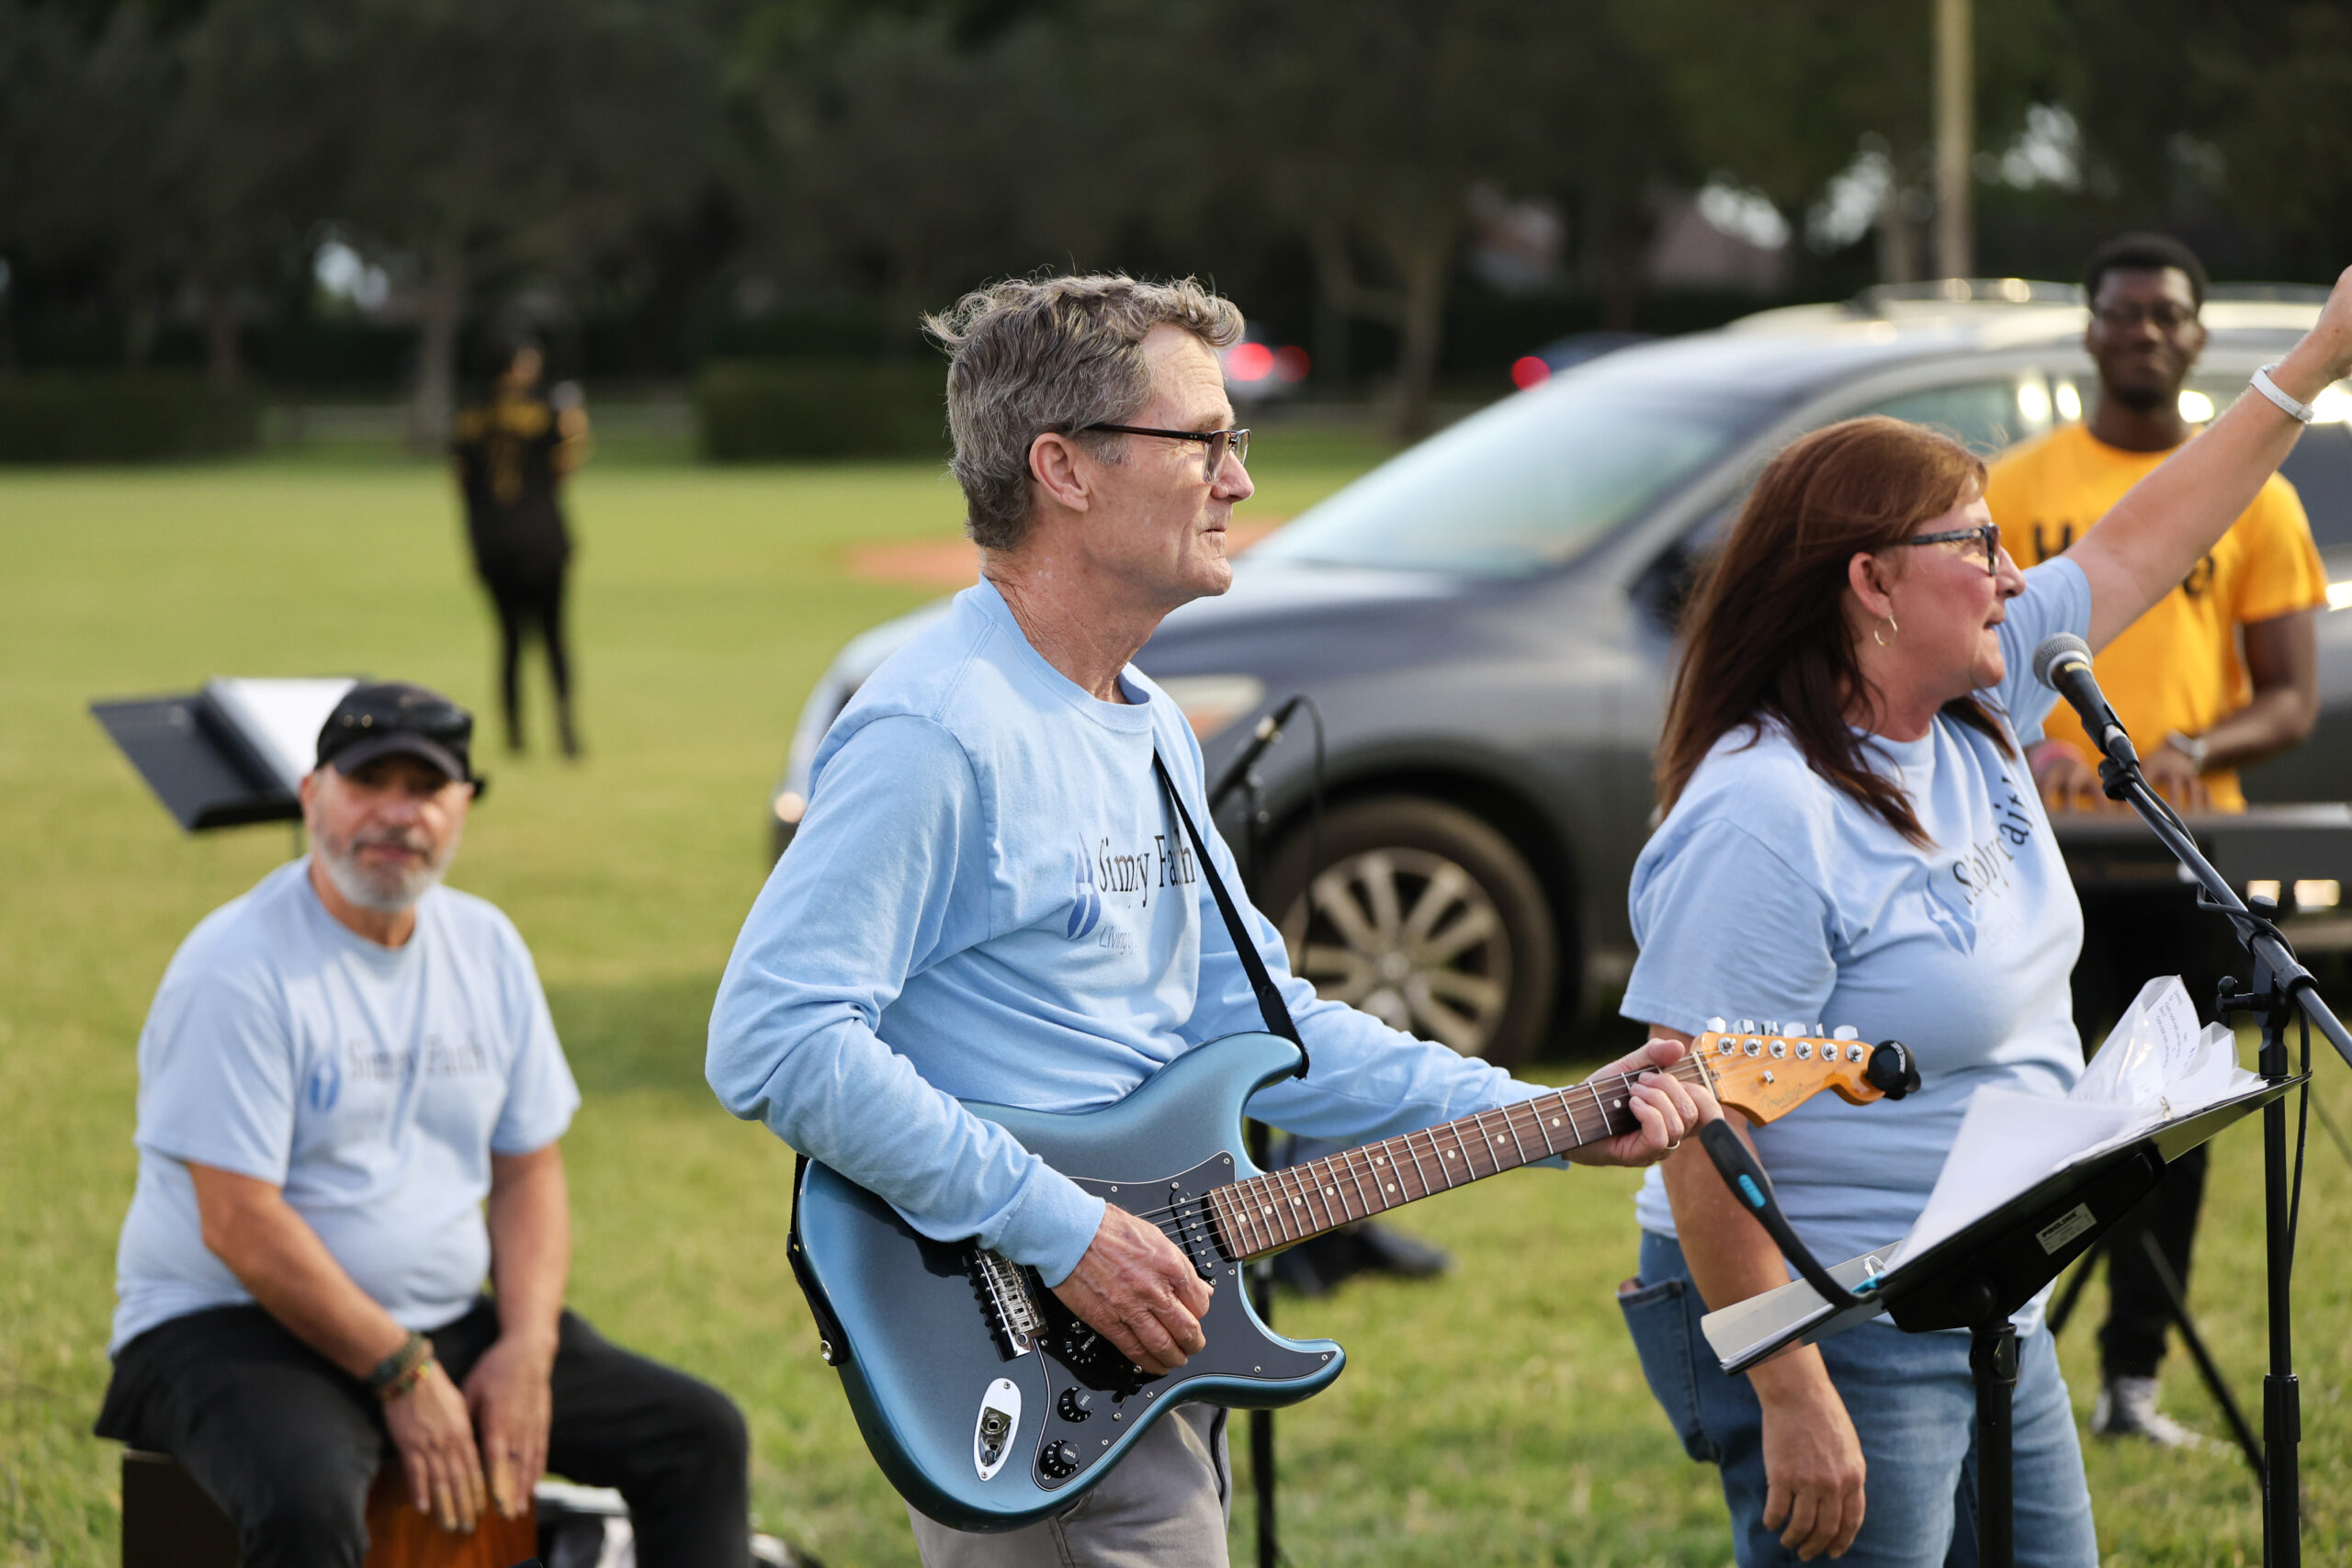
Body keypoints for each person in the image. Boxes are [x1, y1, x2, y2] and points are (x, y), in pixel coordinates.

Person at [705, 273, 1708, 1567]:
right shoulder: (937, 729)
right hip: (1023, 1352)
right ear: (1063, 467)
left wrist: (1549, 1113)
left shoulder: (1147, 718)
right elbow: (773, 1038)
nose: (1238, 478)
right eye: (1206, 440)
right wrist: (1067, 1232)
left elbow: (1273, 1031)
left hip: (1143, 1348)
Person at [1613, 268, 2352, 1567]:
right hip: (1831, 1311)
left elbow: (2146, 537)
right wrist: (1788, 1385)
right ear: (1873, 584)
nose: (2017, 578)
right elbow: (1698, 1125)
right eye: (1980, 544)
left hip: (1988, 1292)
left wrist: (2321, 356)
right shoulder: (1764, 813)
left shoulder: (1978, 705)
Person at [95, 682, 750, 1568]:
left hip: (441, 1320)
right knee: (308, 1500)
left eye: (426, 788)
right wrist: (400, 1368)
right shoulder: (236, 967)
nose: (397, 814)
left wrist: (527, 1346)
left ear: (464, 806)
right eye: (370, 782)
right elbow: (238, 1220)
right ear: (310, 793)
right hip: (225, 1325)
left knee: (698, 1435)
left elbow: (529, 1169)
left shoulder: (487, 947)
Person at [1985, 233, 2328, 1447]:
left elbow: (2289, 693)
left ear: (2194, 333)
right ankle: (2001, 1345)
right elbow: (1974, 667)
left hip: (2188, 854)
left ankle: (2133, 1377)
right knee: (2025, 1100)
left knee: (2169, 1121)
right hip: (2041, 853)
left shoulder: (2259, 495)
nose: (2143, 332)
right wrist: (2035, 746)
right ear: (2089, 329)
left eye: (2165, 315)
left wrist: (2193, 742)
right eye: (2121, 313)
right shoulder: (2020, 483)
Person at [454, 337, 590, 757]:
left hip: (493, 542)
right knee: (553, 639)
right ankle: (566, 732)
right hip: (541, 539)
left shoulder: (472, 416)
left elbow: (460, 482)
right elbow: (563, 469)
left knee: (509, 641)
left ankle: (515, 737)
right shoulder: (546, 413)